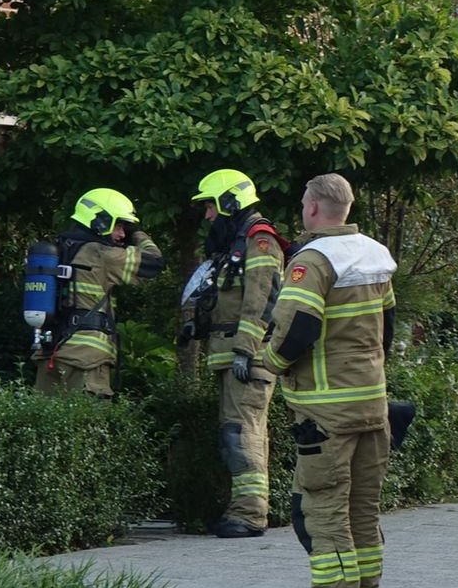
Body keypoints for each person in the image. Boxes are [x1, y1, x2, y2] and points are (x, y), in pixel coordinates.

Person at [259, 173, 396, 588]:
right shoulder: (376, 255)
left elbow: (297, 329)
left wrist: (269, 362)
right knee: (363, 505)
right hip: (371, 403)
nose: (302, 211)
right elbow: (387, 328)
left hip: (324, 410)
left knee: (324, 507)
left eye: (303, 204)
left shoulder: (312, 260)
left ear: (314, 208)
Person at [186, 169, 288, 539]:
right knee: (238, 430)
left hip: (246, 356)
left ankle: (249, 513)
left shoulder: (259, 241)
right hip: (230, 353)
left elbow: (264, 298)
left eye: (212, 206)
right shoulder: (236, 243)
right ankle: (242, 508)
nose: (208, 215)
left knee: (242, 431)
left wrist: (245, 349)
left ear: (231, 202)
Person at [37, 187, 164, 398]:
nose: (122, 234)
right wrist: (137, 232)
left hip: (50, 352)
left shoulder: (59, 249)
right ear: (101, 221)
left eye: (125, 228)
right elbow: (154, 262)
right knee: (88, 426)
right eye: (119, 225)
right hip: (87, 359)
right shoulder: (103, 254)